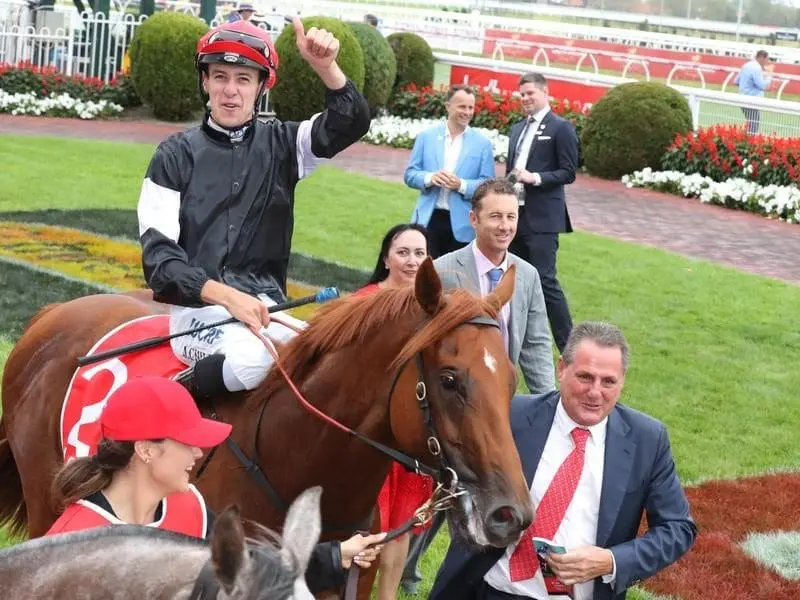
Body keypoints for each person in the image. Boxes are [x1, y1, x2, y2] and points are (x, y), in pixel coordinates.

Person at [136, 19, 371, 403]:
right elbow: (159, 262)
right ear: (205, 82)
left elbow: (352, 121)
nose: (230, 91)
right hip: (197, 315)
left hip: (268, 309)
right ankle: (168, 405)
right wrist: (227, 296)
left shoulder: (285, 143)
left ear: (262, 86)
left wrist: (325, 67)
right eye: (220, 77)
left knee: (338, 363)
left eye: (243, 79)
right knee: (255, 362)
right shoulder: (172, 155)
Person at [429, 321, 697, 600]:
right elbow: (458, 483)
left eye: (608, 382)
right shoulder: (511, 416)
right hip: (491, 590)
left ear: (623, 381)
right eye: (585, 377)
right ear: (561, 369)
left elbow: (678, 528)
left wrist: (611, 561)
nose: (595, 392)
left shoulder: (647, 440)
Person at [46, 376, 386, 593]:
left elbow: (243, 566)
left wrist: (334, 557)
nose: (198, 452)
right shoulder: (74, 543)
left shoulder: (188, 505)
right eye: (187, 441)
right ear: (146, 450)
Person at [401, 178, 556, 594]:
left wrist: (546, 402)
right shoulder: (445, 271)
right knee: (438, 491)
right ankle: (405, 569)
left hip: (499, 401)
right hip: (454, 402)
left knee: (486, 488)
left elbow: (537, 342)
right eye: (495, 217)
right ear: (473, 219)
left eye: (511, 217)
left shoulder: (525, 275)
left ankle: (465, 578)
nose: (504, 226)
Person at [352, 224, 433, 600]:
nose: (412, 261)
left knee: (402, 522)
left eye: (420, 253)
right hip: (371, 433)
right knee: (373, 521)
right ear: (386, 257)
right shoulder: (364, 302)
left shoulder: (432, 305)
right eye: (403, 252)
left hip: (411, 433)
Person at [506, 72, 578, 354]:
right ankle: (514, 339)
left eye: (530, 93)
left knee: (545, 280)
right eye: (522, 95)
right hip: (515, 214)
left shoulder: (561, 128)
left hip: (543, 217)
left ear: (545, 93)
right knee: (513, 278)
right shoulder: (517, 129)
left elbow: (568, 172)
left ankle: (569, 347)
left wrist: (533, 177)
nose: (525, 99)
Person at [404, 84, 496, 259]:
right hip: (428, 219)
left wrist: (461, 185)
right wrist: (430, 178)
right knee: (424, 276)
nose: (467, 112)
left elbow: (488, 185)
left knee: (455, 280)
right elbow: (410, 174)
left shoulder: (482, 144)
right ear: (448, 106)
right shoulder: (427, 137)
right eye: (462, 106)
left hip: (463, 224)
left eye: (471, 107)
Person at [735, 50, 773, 134]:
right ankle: (749, 143)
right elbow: (762, 85)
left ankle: (746, 141)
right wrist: (769, 76)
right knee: (753, 126)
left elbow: (736, 81)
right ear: (762, 57)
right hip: (752, 101)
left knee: (751, 124)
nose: (767, 62)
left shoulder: (746, 65)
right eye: (767, 59)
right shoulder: (756, 67)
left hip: (742, 99)